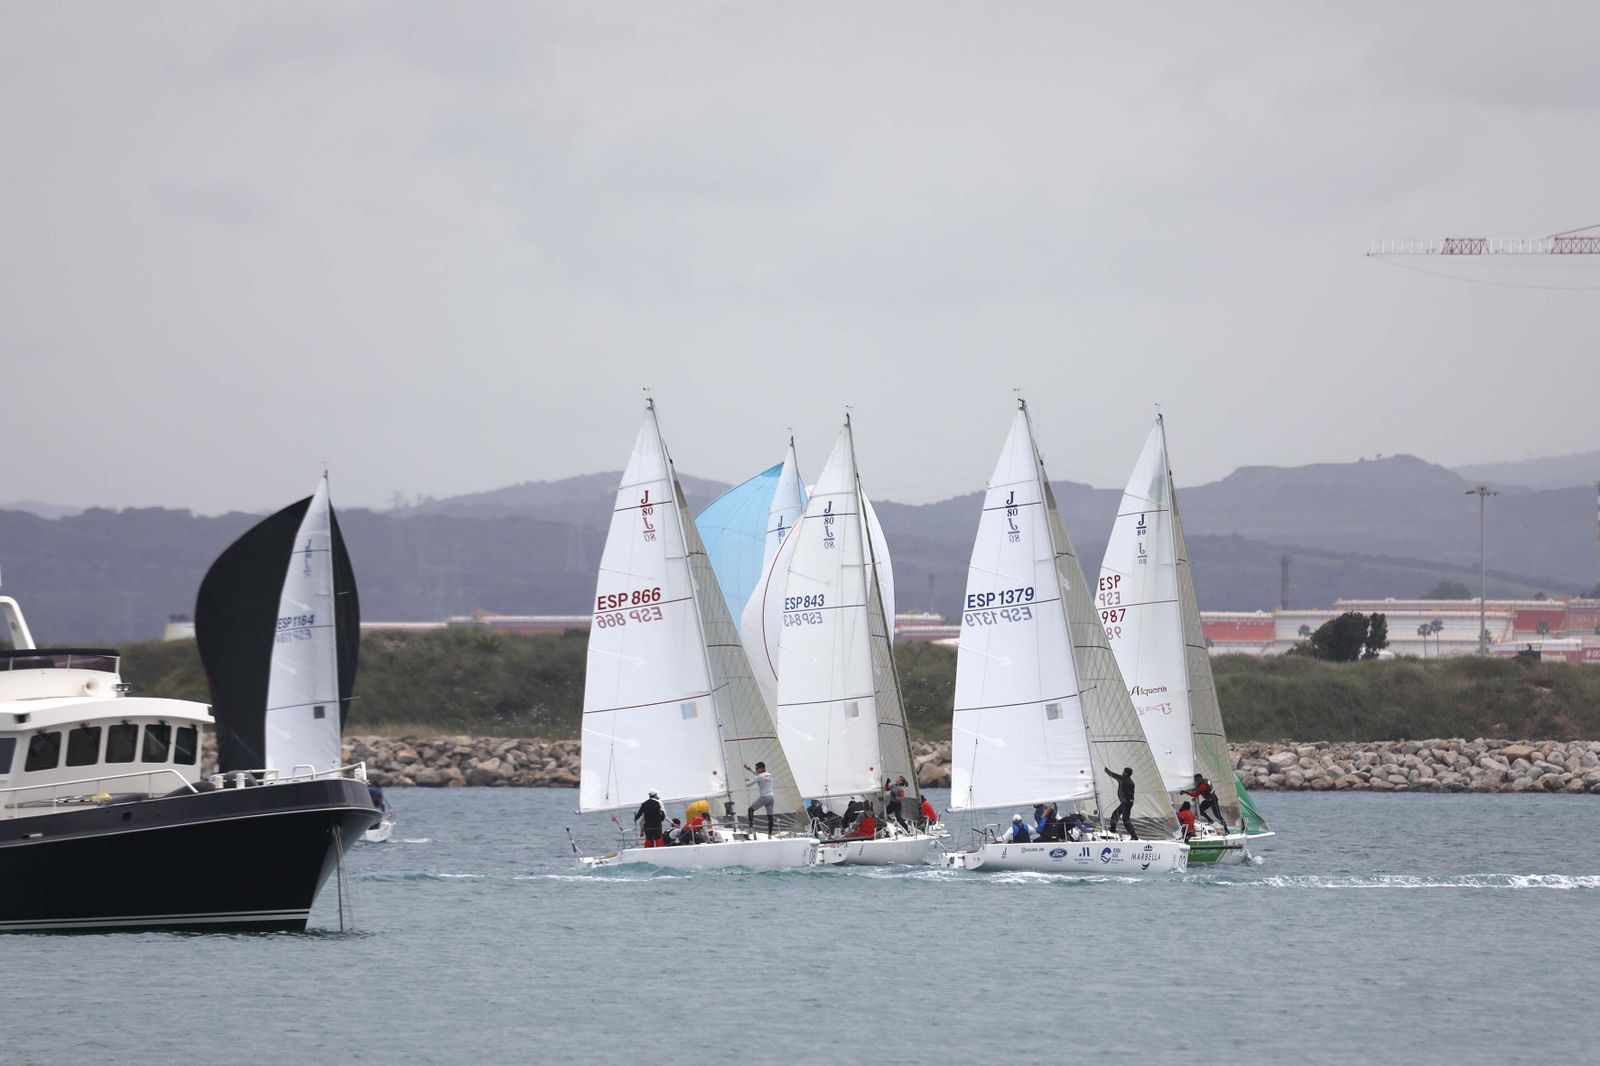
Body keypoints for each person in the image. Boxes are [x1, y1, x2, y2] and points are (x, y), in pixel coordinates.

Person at [1104, 766, 1138, 840]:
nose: (1122, 772)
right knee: (1115, 815)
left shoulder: (1123, 779)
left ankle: (1134, 836)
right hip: (1128, 803)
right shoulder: (1132, 782)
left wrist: (1106, 770)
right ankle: (1112, 832)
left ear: (1125, 773)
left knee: (1125, 819)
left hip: (1125, 803)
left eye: (1123, 771)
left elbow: (1112, 774)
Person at [744, 762, 776, 838]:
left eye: (757, 768)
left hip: (764, 797)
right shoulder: (768, 774)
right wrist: (749, 769)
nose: (756, 770)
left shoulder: (759, 777)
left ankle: (750, 828)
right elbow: (759, 775)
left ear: (761, 768)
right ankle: (770, 835)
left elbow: (748, 784)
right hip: (771, 797)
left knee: (750, 810)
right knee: (770, 817)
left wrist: (746, 780)